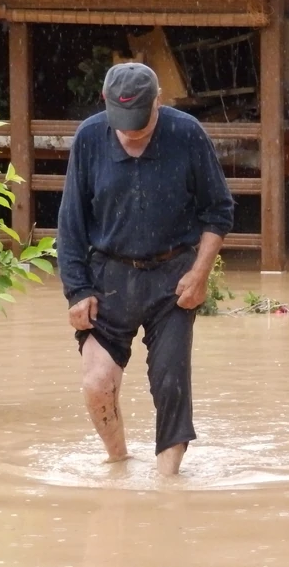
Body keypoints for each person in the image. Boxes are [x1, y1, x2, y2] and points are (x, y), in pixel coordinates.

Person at [57, 62, 234, 476]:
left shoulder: (187, 134)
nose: (131, 131)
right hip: (109, 277)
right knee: (97, 383)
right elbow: (71, 223)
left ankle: (166, 483)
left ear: (159, 101)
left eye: (141, 120)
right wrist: (77, 290)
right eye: (123, 122)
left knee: (170, 382)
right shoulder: (88, 138)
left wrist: (201, 273)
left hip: (173, 277)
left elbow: (219, 210)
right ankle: (118, 462)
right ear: (105, 103)